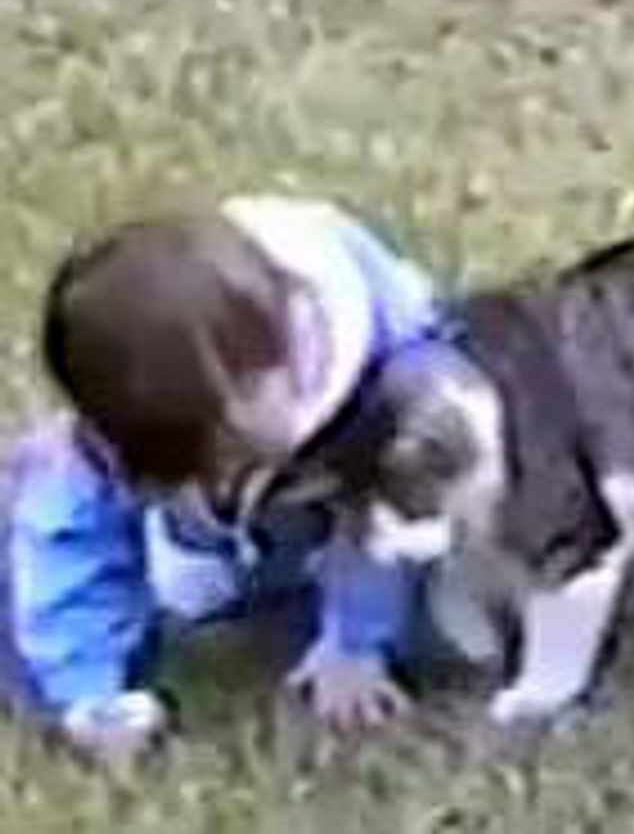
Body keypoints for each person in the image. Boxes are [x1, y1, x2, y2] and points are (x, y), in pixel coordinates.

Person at [1, 195, 451, 769]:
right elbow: (75, 544)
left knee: (454, 612)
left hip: (403, 464)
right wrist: (88, 691)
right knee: (159, 572)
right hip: (229, 495)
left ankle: (274, 545)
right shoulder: (125, 441)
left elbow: (391, 503)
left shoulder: (389, 381)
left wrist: (358, 645)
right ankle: (217, 532)